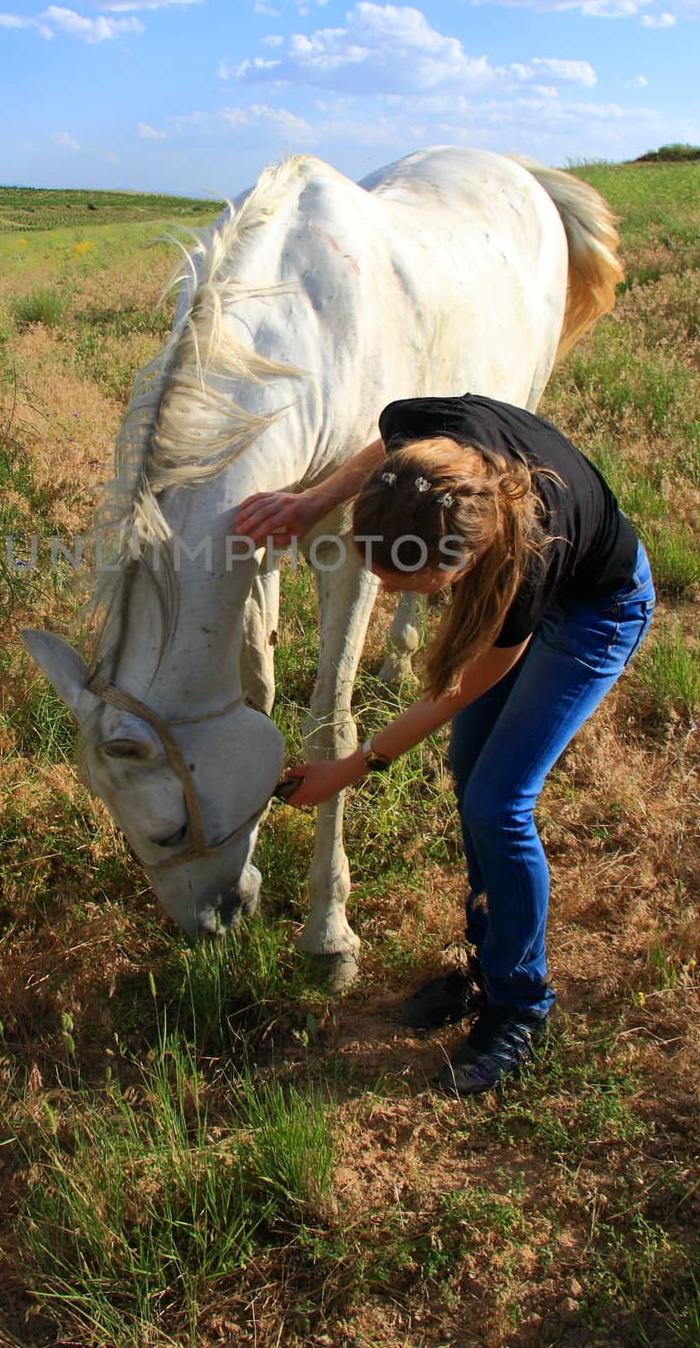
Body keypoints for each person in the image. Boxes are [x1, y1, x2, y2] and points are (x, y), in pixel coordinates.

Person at [233, 393, 655, 1098]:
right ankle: (487, 958)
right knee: (469, 770)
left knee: (498, 802)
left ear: (467, 564)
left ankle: (518, 1005)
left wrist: (353, 765)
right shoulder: (424, 435)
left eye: (419, 587)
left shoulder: (525, 559)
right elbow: (380, 454)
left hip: (595, 612)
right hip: (528, 584)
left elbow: (458, 686)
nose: (399, 593)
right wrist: (310, 504)